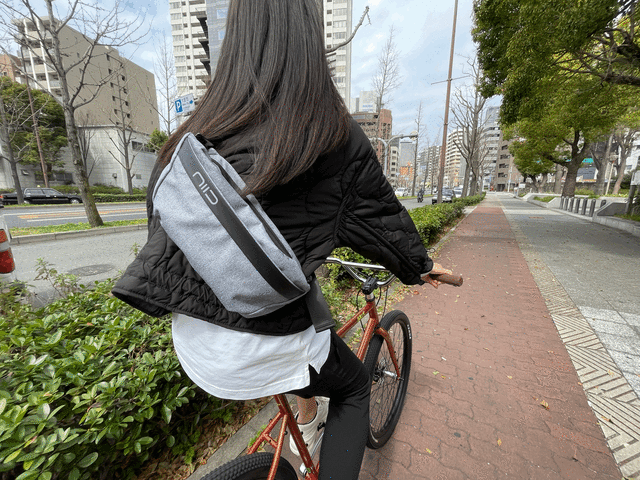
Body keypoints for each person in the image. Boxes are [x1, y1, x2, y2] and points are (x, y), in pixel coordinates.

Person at [112, 1, 447, 478]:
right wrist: (421, 266)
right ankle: (315, 427)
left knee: (302, 342)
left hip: (194, 340)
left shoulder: (193, 132)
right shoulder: (334, 135)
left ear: (236, 41)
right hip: (265, 340)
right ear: (310, 39)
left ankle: (306, 422)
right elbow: (382, 220)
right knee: (352, 386)